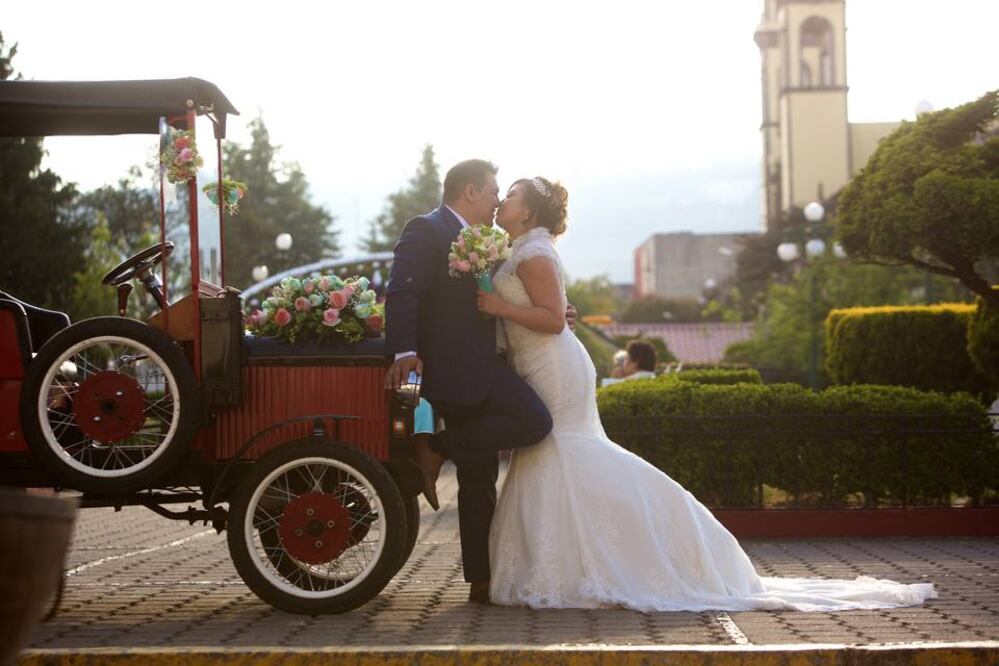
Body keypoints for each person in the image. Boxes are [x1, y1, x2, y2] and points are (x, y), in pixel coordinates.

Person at [474, 176, 936, 611]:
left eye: (511, 194)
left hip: (554, 368)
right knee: (554, 454)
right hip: (540, 364)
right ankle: (563, 563)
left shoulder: (534, 252)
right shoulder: (522, 249)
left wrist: (496, 305)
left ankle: (651, 544)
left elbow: (553, 320)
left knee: (565, 451)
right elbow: (553, 312)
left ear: (529, 211)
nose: (503, 201)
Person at [383, 159, 554, 604]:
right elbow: (403, 290)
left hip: (488, 364)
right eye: (493, 190)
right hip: (455, 369)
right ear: (469, 191)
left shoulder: (490, 241)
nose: (498, 198)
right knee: (534, 422)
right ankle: (438, 448)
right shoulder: (428, 229)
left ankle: (481, 580)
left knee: (479, 474)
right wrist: (404, 352)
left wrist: (554, 312)